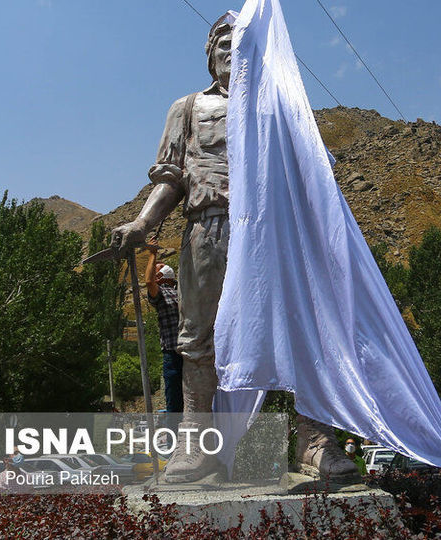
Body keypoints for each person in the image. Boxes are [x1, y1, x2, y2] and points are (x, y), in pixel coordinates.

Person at [110, 13, 356, 482]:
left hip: (271, 233)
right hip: (209, 228)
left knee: (300, 332)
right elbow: (171, 176)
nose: (229, 51)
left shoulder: (278, 107)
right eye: (221, 43)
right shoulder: (187, 108)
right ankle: (197, 444)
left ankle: (314, 441)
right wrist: (144, 223)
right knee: (198, 338)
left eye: (239, 44)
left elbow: (311, 174)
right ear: (209, 54)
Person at [145, 240, 182, 431]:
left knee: (174, 403)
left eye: (155, 270)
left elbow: (148, 281)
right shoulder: (182, 293)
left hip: (172, 354)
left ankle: (174, 443)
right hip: (192, 353)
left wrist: (152, 254)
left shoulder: (162, 295)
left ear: (160, 276)